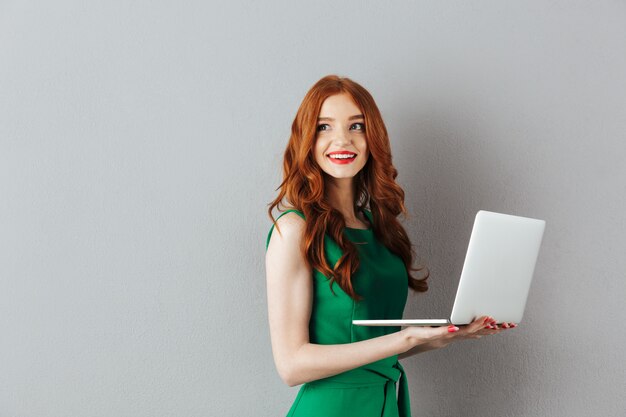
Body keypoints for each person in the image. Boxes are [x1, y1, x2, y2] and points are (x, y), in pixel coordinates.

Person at [264, 75, 515, 417]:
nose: (342, 139)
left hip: (384, 404)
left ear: (373, 138)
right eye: (324, 127)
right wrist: (405, 339)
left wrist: (444, 336)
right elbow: (291, 366)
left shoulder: (380, 229)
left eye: (357, 126)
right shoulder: (294, 229)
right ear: (306, 139)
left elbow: (368, 346)